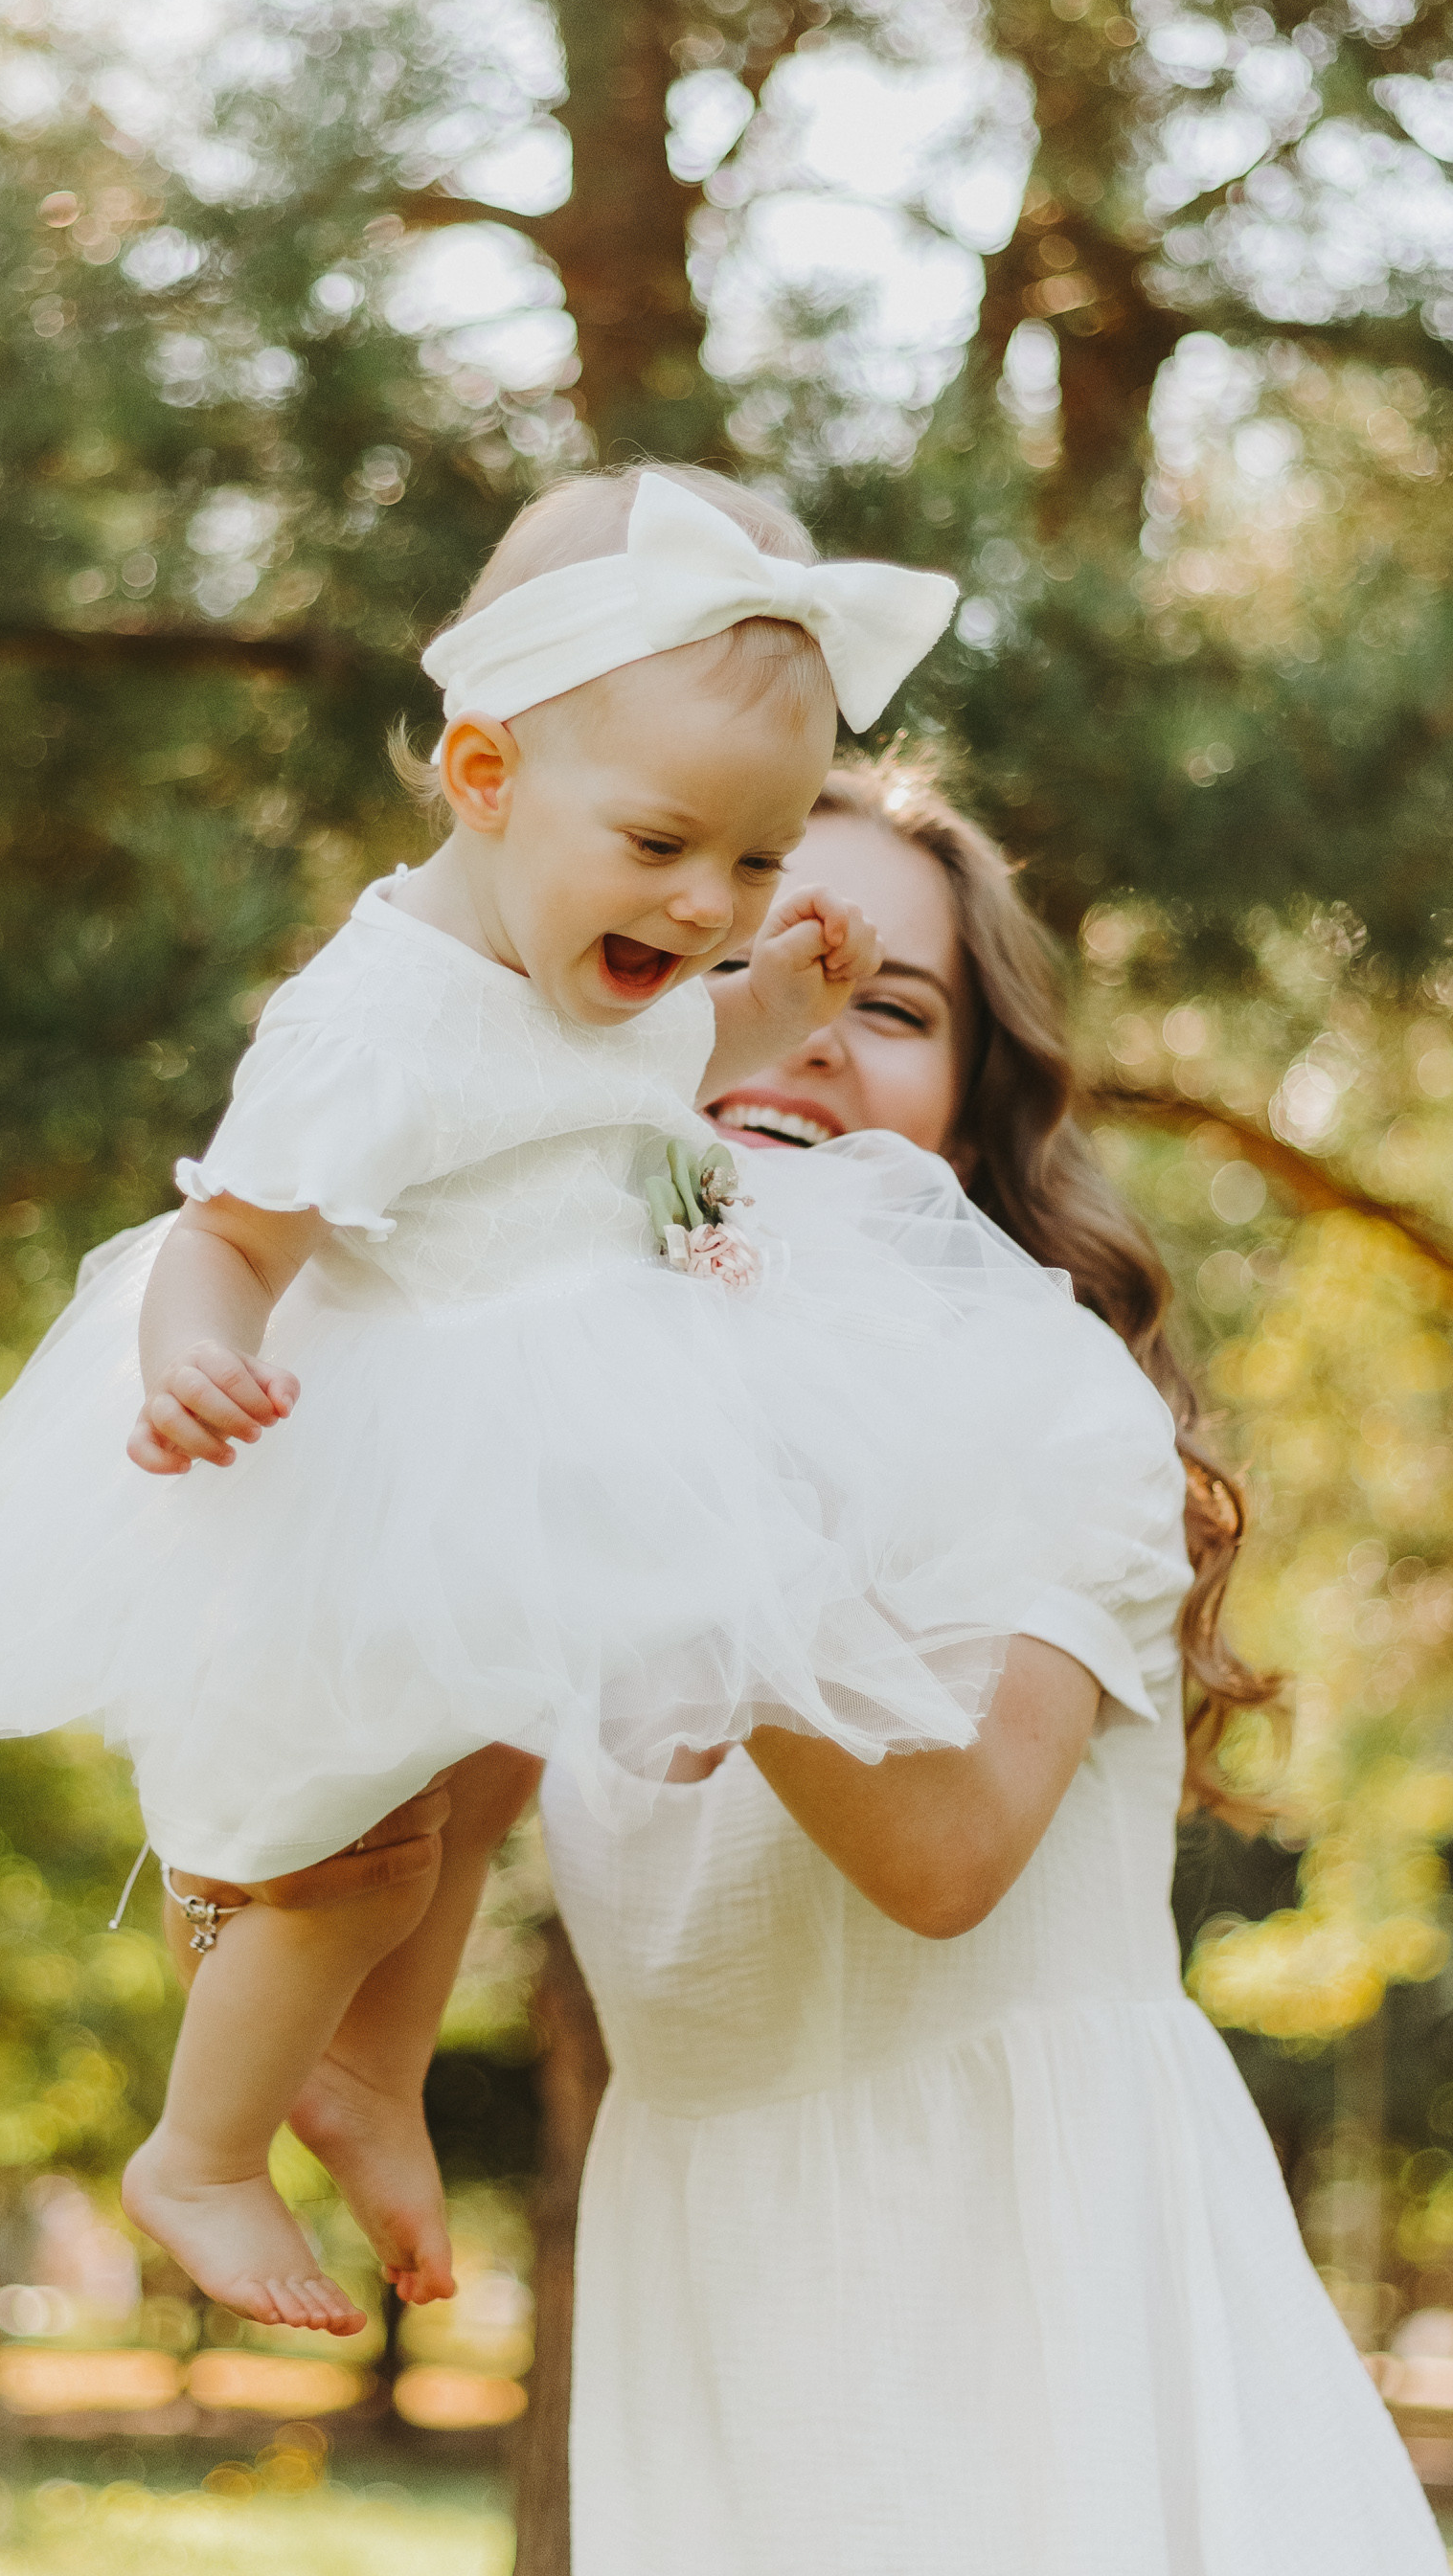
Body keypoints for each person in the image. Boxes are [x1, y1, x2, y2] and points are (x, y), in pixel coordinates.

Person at [0, 469, 1183, 2360]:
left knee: (452, 1808)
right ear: (483, 779)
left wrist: (771, 993)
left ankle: (361, 2077)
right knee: (343, 1853)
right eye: (666, 846)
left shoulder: (637, 1022)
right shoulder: (381, 1016)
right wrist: (188, 1364)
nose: (709, 910)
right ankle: (204, 2149)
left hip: (540, 1471)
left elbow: (688, 1045)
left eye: (755, 874)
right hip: (390, 1443)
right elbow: (228, 1237)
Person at [544, 755, 1444, 2575]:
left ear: (965, 1125)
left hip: (1031, 2297)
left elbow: (946, 1850)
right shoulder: (547, 1418)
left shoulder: (1051, 1406)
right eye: (740, 969)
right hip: (714, 2304)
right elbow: (368, 1794)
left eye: (887, 1006)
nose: (802, 1030)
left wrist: (697, 1460)